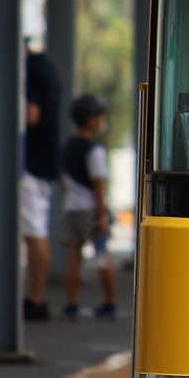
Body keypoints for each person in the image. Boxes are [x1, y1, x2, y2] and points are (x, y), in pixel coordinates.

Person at [60, 94, 117, 320]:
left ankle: (71, 302)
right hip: (91, 210)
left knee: (74, 254)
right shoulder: (95, 151)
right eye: (99, 116)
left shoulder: (66, 147)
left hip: (71, 208)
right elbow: (98, 186)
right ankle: (110, 302)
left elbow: (63, 182)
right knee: (102, 254)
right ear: (91, 120)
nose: (102, 120)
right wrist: (102, 216)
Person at [21, 44, 61, 321]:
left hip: (30, 166)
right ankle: (36, 297)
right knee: (38, 230)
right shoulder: (47, 68)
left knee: (34, 233)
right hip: (44, 166)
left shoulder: (31, 71)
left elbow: (30, 115)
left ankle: (35, 300)